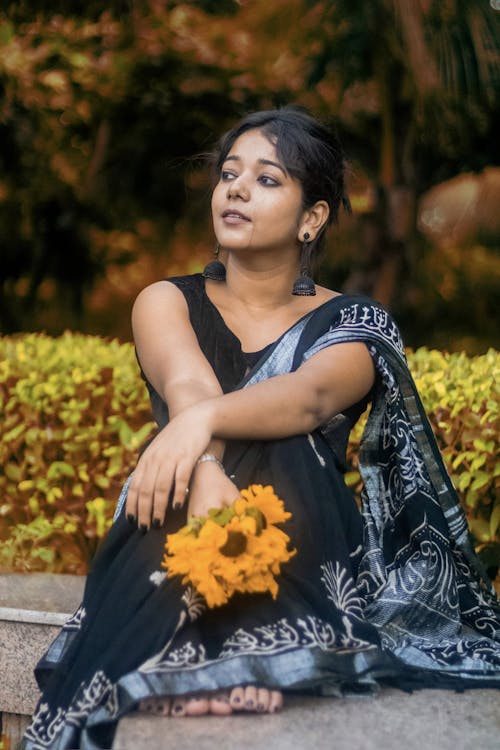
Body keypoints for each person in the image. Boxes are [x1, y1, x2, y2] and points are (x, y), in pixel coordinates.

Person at [22, 108, 500, 750]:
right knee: (193, 459)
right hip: (174, 504)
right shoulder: (165, 299)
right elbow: (189, 382)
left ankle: (236, 651)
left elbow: (307, 398)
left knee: (286, 436)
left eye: (267, 179)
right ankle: (215, 659)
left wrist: (202, 429)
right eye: (228, 174)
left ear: (313, 217)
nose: (237, 189)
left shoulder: (356, 321)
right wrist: (207, 467)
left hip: (303, 527)